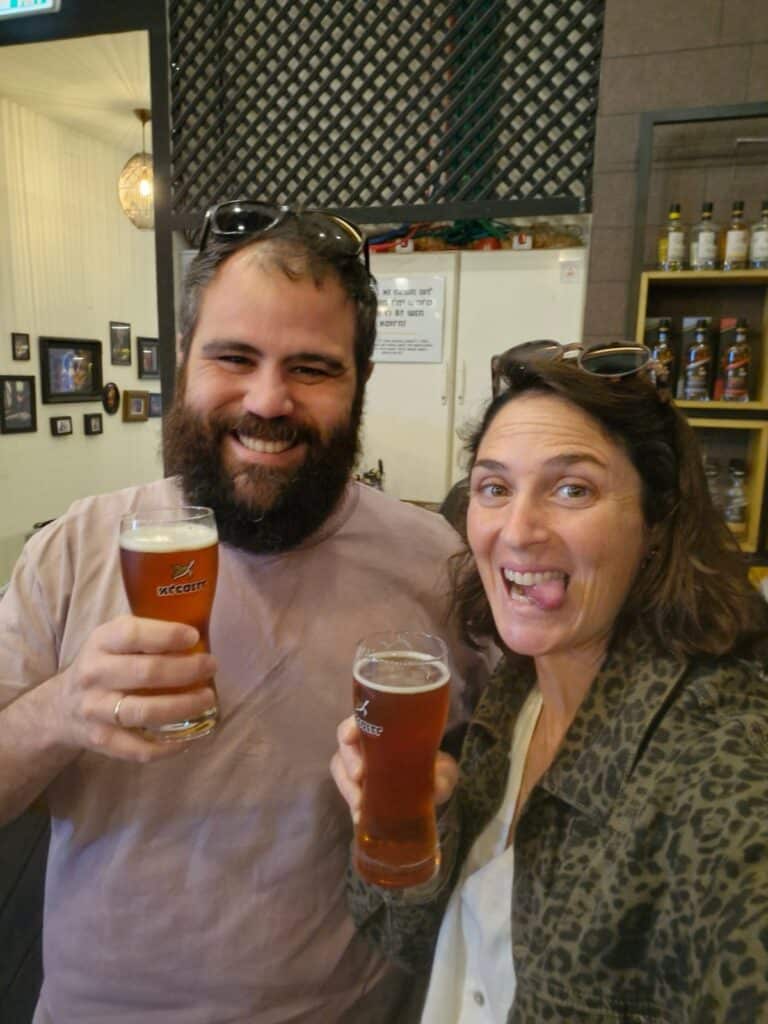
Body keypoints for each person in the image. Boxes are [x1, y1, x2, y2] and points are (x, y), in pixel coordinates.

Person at [0, 200, 489, 1024]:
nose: (268, 400)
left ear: (361, 383)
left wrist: (446, 794)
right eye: (234, 357)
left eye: (313, 368)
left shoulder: (438, 563)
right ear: (183, 359)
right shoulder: (73, 548)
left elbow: (507, 786)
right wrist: (61, 710)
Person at [332, 341, 768, 1023]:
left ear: (656, 522)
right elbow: (407, 940)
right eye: (494, 488)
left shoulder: (726, 769)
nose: (518, 531)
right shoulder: (513, 698)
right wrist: (419, 820)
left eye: (573, 489)